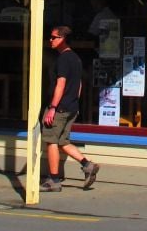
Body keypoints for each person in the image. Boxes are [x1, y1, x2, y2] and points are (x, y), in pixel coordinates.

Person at [40, 26, 100, 192]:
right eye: (50, 37)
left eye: (54, 37)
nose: (50, 40)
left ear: (63, 39)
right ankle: (87, 165)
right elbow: (79, 84)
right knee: (62, 141)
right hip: (71, 107)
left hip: (60, 108)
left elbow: (61, 83)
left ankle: (53, 180)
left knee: (51, 141)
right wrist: (74, 102)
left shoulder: (64, 59)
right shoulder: (76, 59)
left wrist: (53, 107)